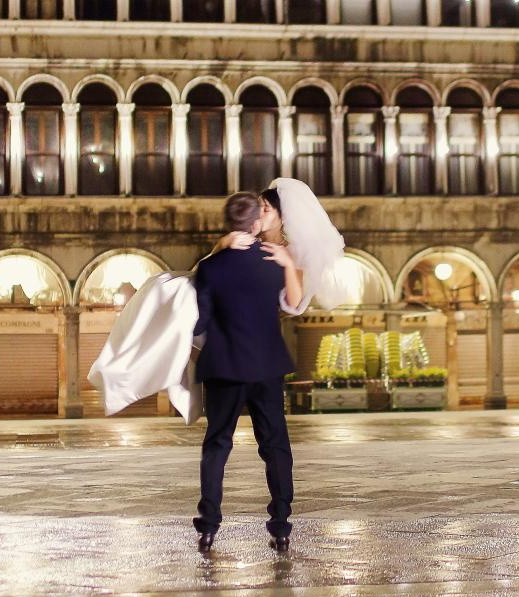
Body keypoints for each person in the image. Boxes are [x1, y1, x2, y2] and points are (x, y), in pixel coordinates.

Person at [87, 178, 345, 425]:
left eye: (264, 209)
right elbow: (206, 272)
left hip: (257, 345)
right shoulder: (246, 241)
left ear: (282, 217)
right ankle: (133, 364)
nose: (258, 213)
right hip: (224, 332)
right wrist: (224, 244)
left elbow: (294, 304)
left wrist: (287, 265)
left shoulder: (290, 254)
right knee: (166, 289)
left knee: (268, 430)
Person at [193, 191, 299, 551]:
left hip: (223, 366)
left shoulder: (210, 266)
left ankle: (209, 525)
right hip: (267, 366)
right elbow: (292, 303)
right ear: (255, 224)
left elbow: (199, 324)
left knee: (217, 446)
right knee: (275, 446)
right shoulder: (275, 262)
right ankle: (281, 524)